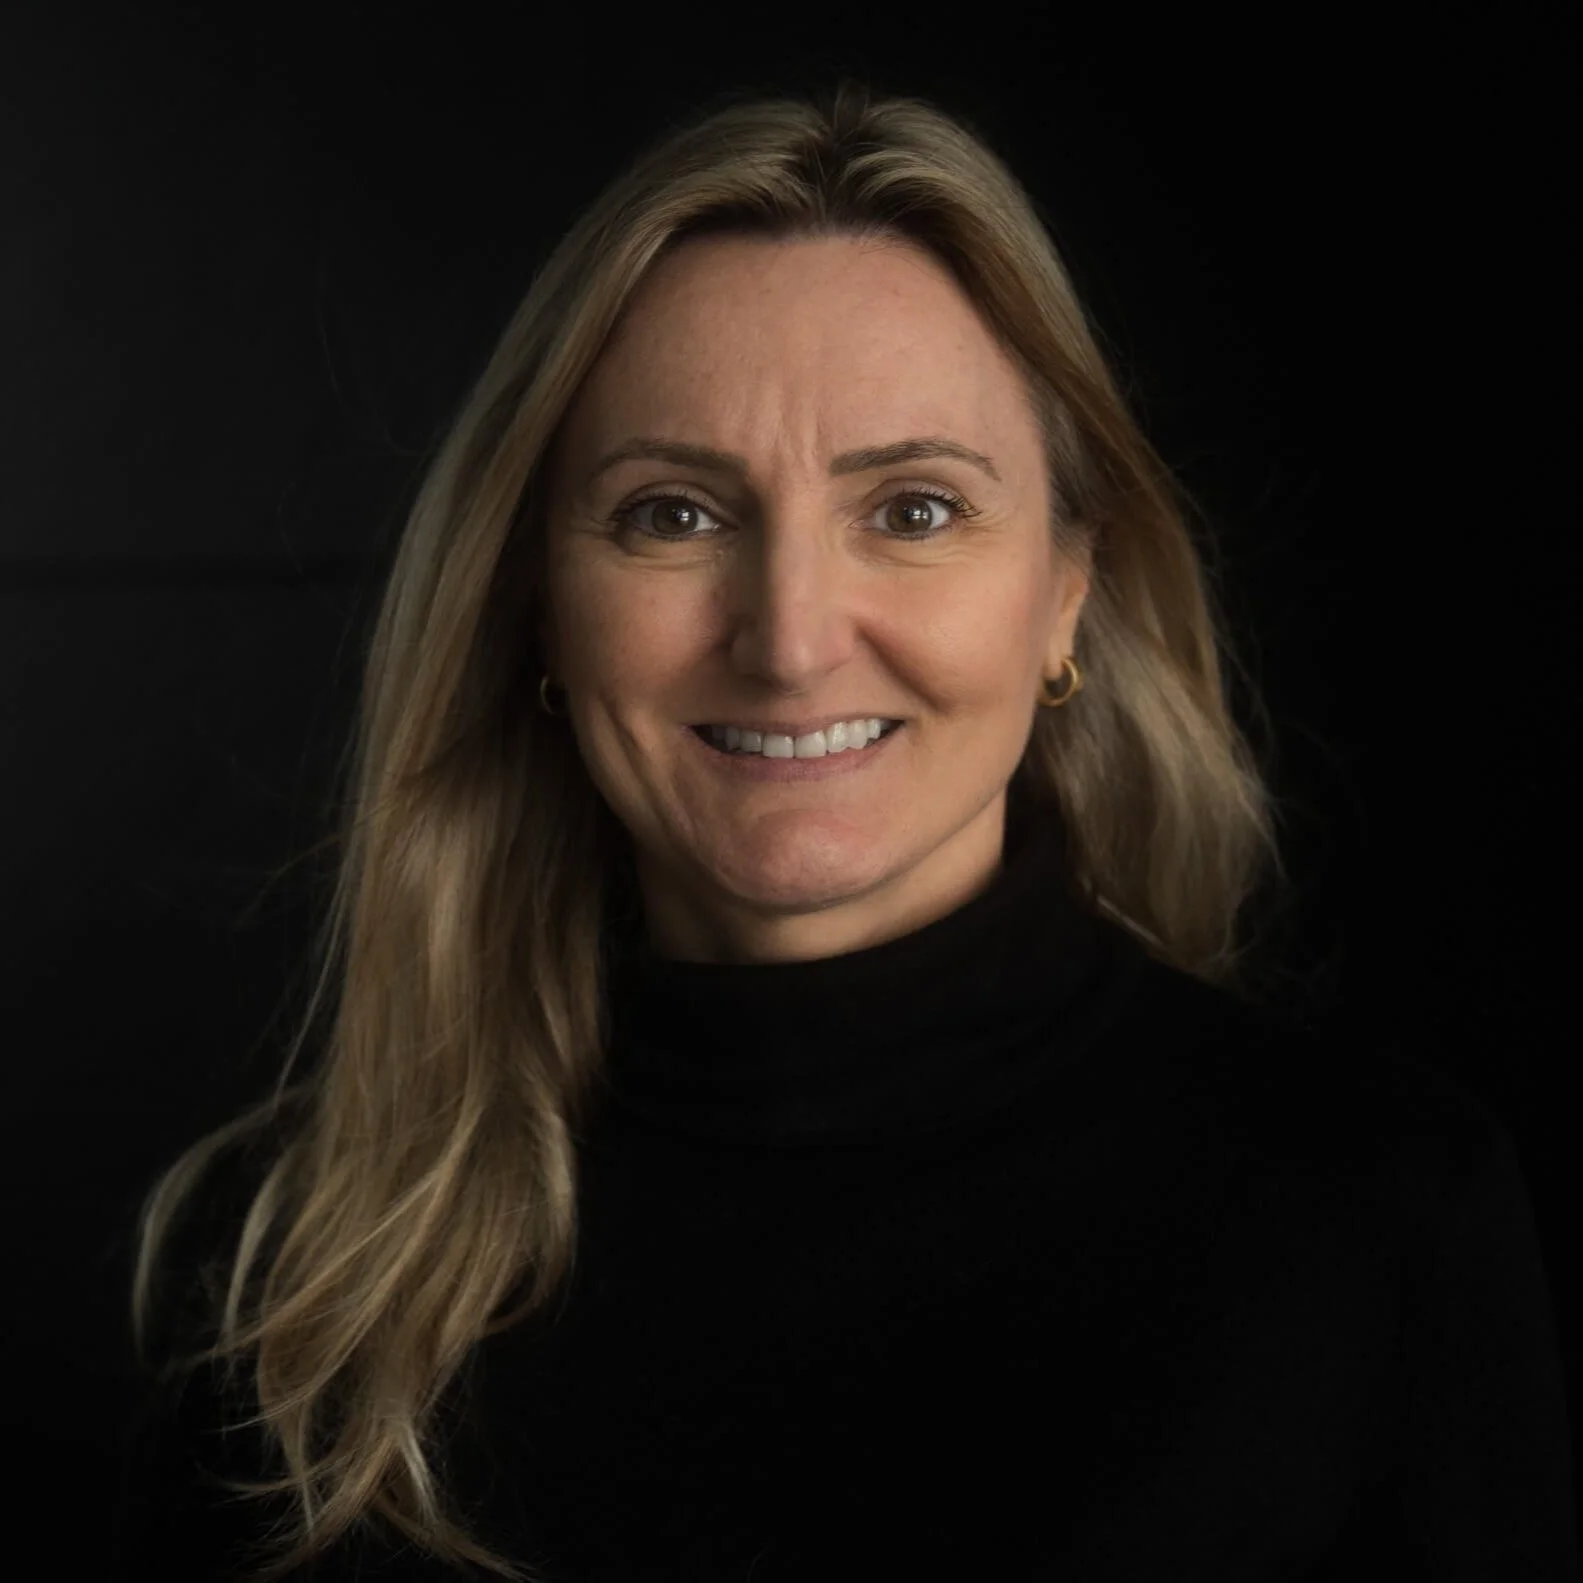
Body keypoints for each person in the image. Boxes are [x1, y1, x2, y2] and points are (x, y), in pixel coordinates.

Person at [117, 82, 1577, 1581]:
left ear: (1068, 589)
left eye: (917, 510)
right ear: (534, 606)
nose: (793, 638)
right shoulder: (293, 1273)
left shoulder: (1374, 1222)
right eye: (674, 514)